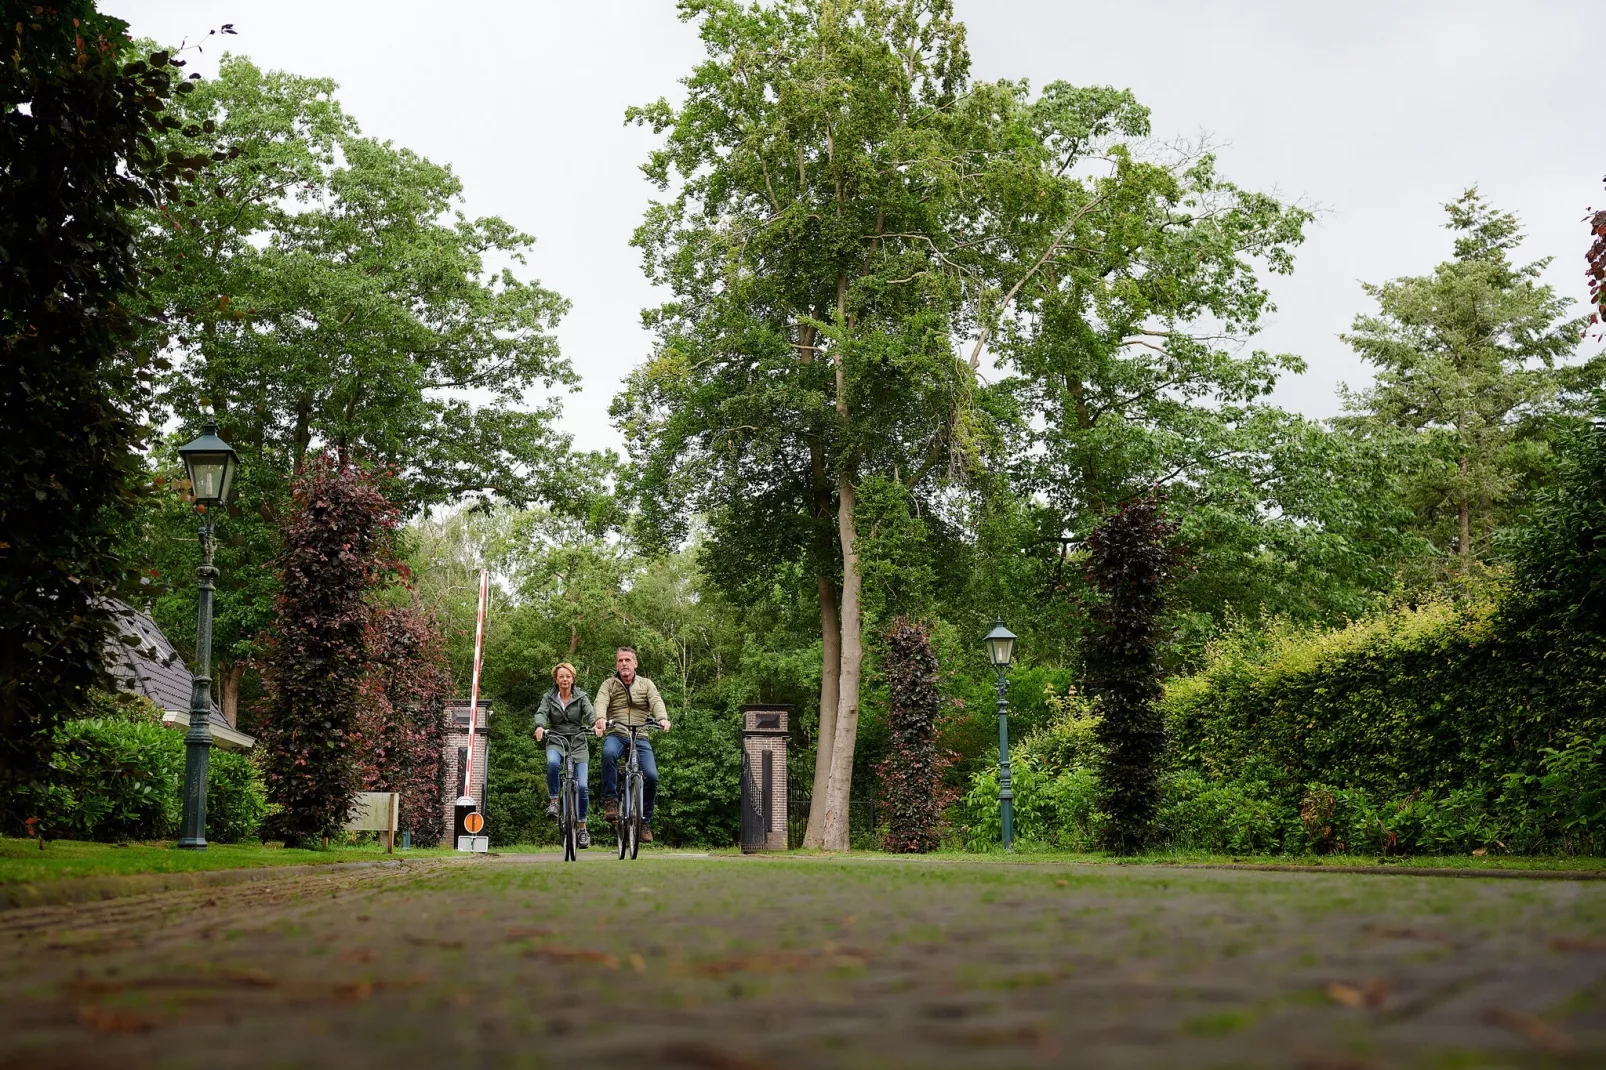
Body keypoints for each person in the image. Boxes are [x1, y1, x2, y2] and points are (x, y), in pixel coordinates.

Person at [595, 646, 671, 842]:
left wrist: (662, 718)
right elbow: (600, 701)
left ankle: (645, 821)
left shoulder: (646, 684)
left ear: (635, 663)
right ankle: (611, 801)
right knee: (608, 754)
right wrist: (601, 718)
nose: (624, 664)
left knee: (652, 776)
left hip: (640, 735)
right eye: (620, 661)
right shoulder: (609, 684)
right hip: (617, 733)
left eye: (627, 660)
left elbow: (656, 701)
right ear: (617, 664)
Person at [533, 662, 602, 849]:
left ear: (573, 678)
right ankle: (554, 801)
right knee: (553, 764)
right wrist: (540, 726)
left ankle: (582, 829)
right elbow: (541, 713)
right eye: (561, 676)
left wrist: (595, 724)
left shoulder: (581, 696)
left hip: (578, 742)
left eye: (568, 676)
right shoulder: (548, 697)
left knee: (583, 786)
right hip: (556, 739)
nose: (564, 679)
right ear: (556, 679)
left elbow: (590, 713)